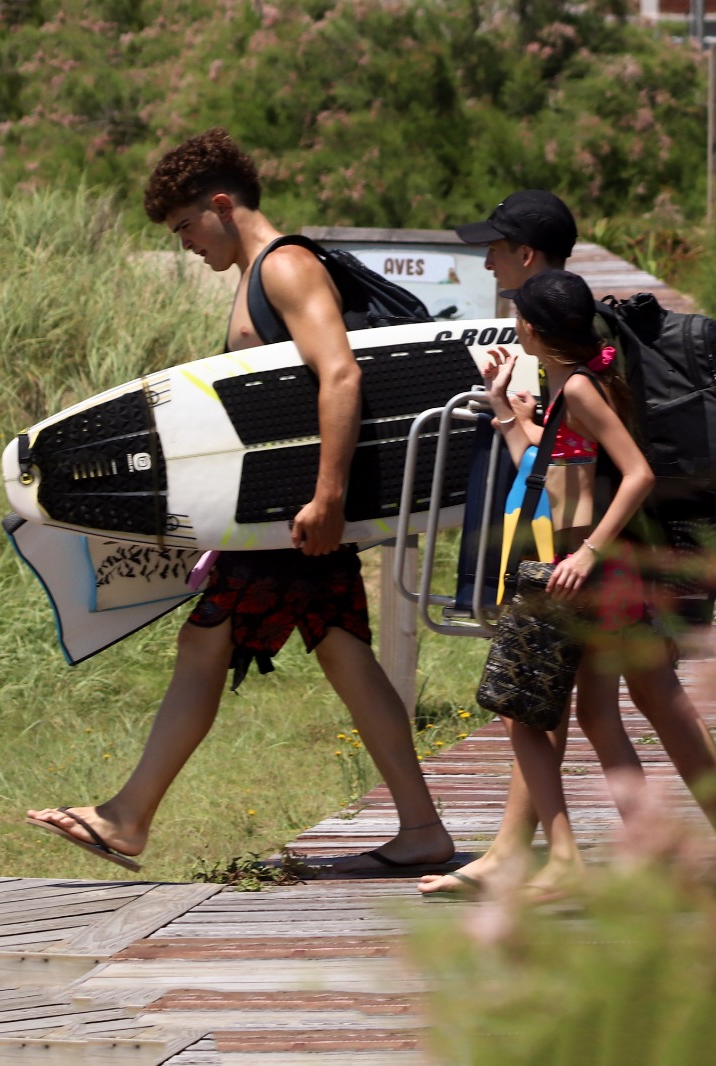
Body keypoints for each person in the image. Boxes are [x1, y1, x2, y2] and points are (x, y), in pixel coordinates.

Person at [25, 129, 453, 874]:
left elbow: (341, 376)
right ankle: (422, 829)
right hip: (282, 517)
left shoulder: (285, 267)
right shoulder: (257, 273)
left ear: (222, 204)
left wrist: (326, 499)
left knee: (207, 644)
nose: (187, 242)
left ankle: (128, 817)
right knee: (348, 654)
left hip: (296, 519)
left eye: (187, 225)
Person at [467, 270, 716, 901]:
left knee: (545, 707)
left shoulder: (578, 389)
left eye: (517, 314)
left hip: (592, 567)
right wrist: (505, 412)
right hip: (600, 564)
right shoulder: (573, 385)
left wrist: (591, 552)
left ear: (534, 329)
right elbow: (549, 474)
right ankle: (661, 847)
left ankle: (654, 852)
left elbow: (636, 474)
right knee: (600, 713)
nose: (512, 321)